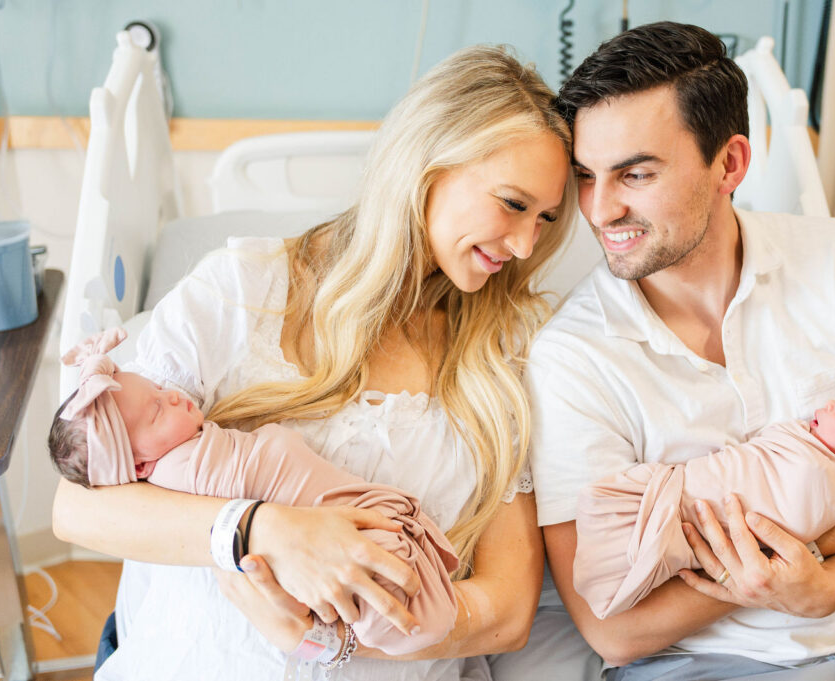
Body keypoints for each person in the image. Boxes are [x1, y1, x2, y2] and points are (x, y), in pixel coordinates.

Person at [51, 44, 577, 681]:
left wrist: (324, 639)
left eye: (546, 218)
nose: (524, 244)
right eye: (513, 204)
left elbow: (508, 612)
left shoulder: (507, 350)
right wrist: (264, 530)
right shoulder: (243, 290)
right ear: (427, 166)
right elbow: (78, 509)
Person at [528, 21, 835, 680]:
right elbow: (612, 630)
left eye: (635, 174)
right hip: (690, 666)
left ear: (729, 164)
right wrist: (827, 545)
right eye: (587, 175)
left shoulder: (834, 258)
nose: (600, 210)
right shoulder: (571, 357)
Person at [49, 327, 458, 655]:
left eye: (158, 388)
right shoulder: (183, 474)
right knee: (384, 575)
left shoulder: (175, 451)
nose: (172, 394)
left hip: (343, 515)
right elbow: (72, 510)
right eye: (157, 409)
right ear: (139, 468)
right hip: (329, 538)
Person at [574, 361, 835, 619]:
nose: (832, 405)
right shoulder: (809, 446)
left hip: (678, 515)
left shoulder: (821, 478)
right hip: (674, 493)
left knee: (631, 533)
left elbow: (794, 520)